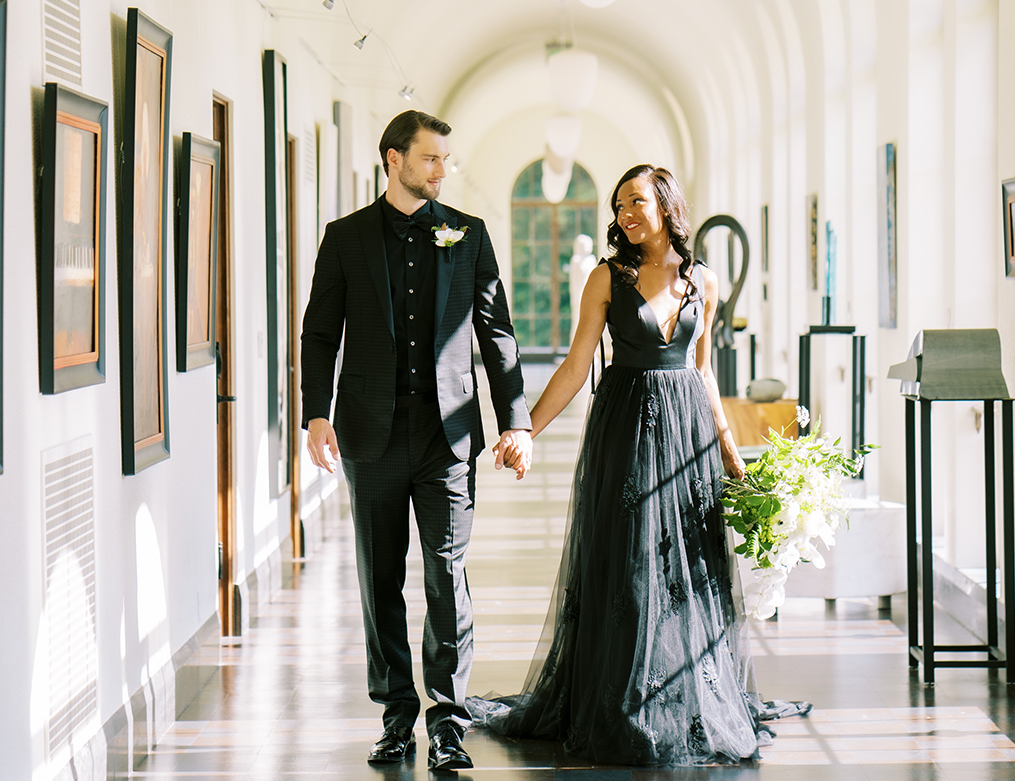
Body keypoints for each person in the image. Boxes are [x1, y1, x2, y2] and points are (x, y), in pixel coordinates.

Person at [470, 164, 808, 766]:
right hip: (624, 431)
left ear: (665, 206)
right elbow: (576, 366)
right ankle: (622, 701)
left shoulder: (703, 281)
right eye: (619, 204)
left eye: (636, 202)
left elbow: (704, 373)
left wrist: (732, 459)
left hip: (688, 438)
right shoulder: (606, 277)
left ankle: (685, 694)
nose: (625, 213)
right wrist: (522, 427)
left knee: (687, 569)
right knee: (627, 563)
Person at [301, 110, 534, 772]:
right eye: (430, 158)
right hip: (368, 438)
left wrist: (515, 419)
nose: (440, 169)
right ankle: (395, 719)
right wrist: (317, 414)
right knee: (379, 582)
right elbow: (320, 334)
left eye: (444, 160)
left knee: (446, 576)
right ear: (393, 159)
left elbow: (498, 335)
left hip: (448, 438)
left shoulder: (469, 235)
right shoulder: (345, 239)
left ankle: (449, 724)